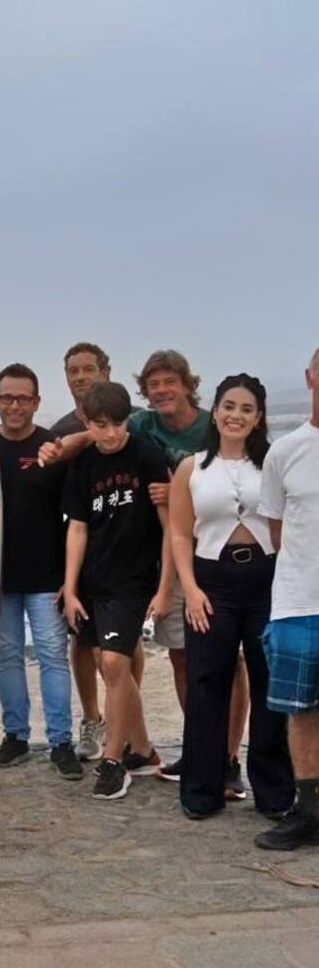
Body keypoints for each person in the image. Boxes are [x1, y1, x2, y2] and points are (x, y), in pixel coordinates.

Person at [169, 375, 293, 820]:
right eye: (228, 406)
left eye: (246, 408)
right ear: (215, 410)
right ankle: (202, 791)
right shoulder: (192, 467)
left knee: (269, 688)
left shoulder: (273, 464)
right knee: (206, 686)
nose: (235, 415)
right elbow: (180, 533)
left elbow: (287, 527)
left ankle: (275, 793)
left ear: (258, 417)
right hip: (211, 582)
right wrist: (191, 589)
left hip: (267, 582)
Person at [61, 382, 172, 800]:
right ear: (87, 423)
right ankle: (142, 751)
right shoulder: (83, 464)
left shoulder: (145, 455)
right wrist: (70, 589)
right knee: (112, 667)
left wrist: (164, 588)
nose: (110, 433)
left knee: (112, 663)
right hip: (92, 581)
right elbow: (78, 527)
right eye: (101, 425)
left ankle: (113, 761)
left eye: (118, 424)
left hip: (133, 581)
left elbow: (169, 528)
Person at [45, 342, 142, 760]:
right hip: (79, 551)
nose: (81, 377)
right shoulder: (59, 428)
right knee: (81, 642)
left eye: (89, 369)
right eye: (73, 371)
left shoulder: (133, 421)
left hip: (130, 553)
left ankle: (131, 727)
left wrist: (88, 435)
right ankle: (92, 719)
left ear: (106, 370)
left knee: (125, 645)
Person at [0, 364, 77, 778]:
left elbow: (76, 518)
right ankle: (16, 737)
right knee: (6, 657)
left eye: (23, 398)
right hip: (0, 577)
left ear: (37, 402)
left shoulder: (52, 449)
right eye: (7, 397)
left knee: (53, 658)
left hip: (47, 576)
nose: (15, 405)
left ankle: (61, 742)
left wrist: (70, 580)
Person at [255, 347, 319, 850]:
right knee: (300, 710)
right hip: (298, 599)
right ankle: (308, 811)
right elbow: (277, 531)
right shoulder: (285, 451)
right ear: (310, 377)